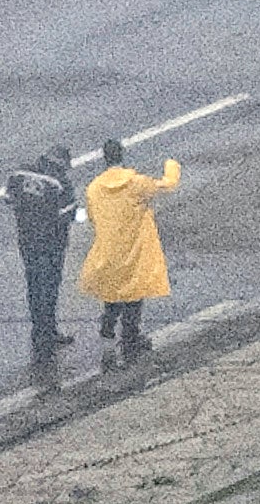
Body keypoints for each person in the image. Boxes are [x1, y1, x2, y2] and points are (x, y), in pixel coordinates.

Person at [76, 137, 182, 364]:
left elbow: (93, 218)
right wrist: (171, 165)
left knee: (112, 290)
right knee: (134, 294)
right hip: (134, 248)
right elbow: (166, 185)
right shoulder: (136, 183)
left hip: (108, 248)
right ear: (121, 156)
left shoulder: (94, 188)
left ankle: (107, 325)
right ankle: (130, 338)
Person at [4, 146, 77, 357]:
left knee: (34, 286)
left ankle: (38, 331)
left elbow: (9, 199)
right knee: (50, 288)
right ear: (62, 164)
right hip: (51, 244)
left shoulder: (20, 174)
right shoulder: (60, 183)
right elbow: (68, 215)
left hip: (27, 241)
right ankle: (48, 333)